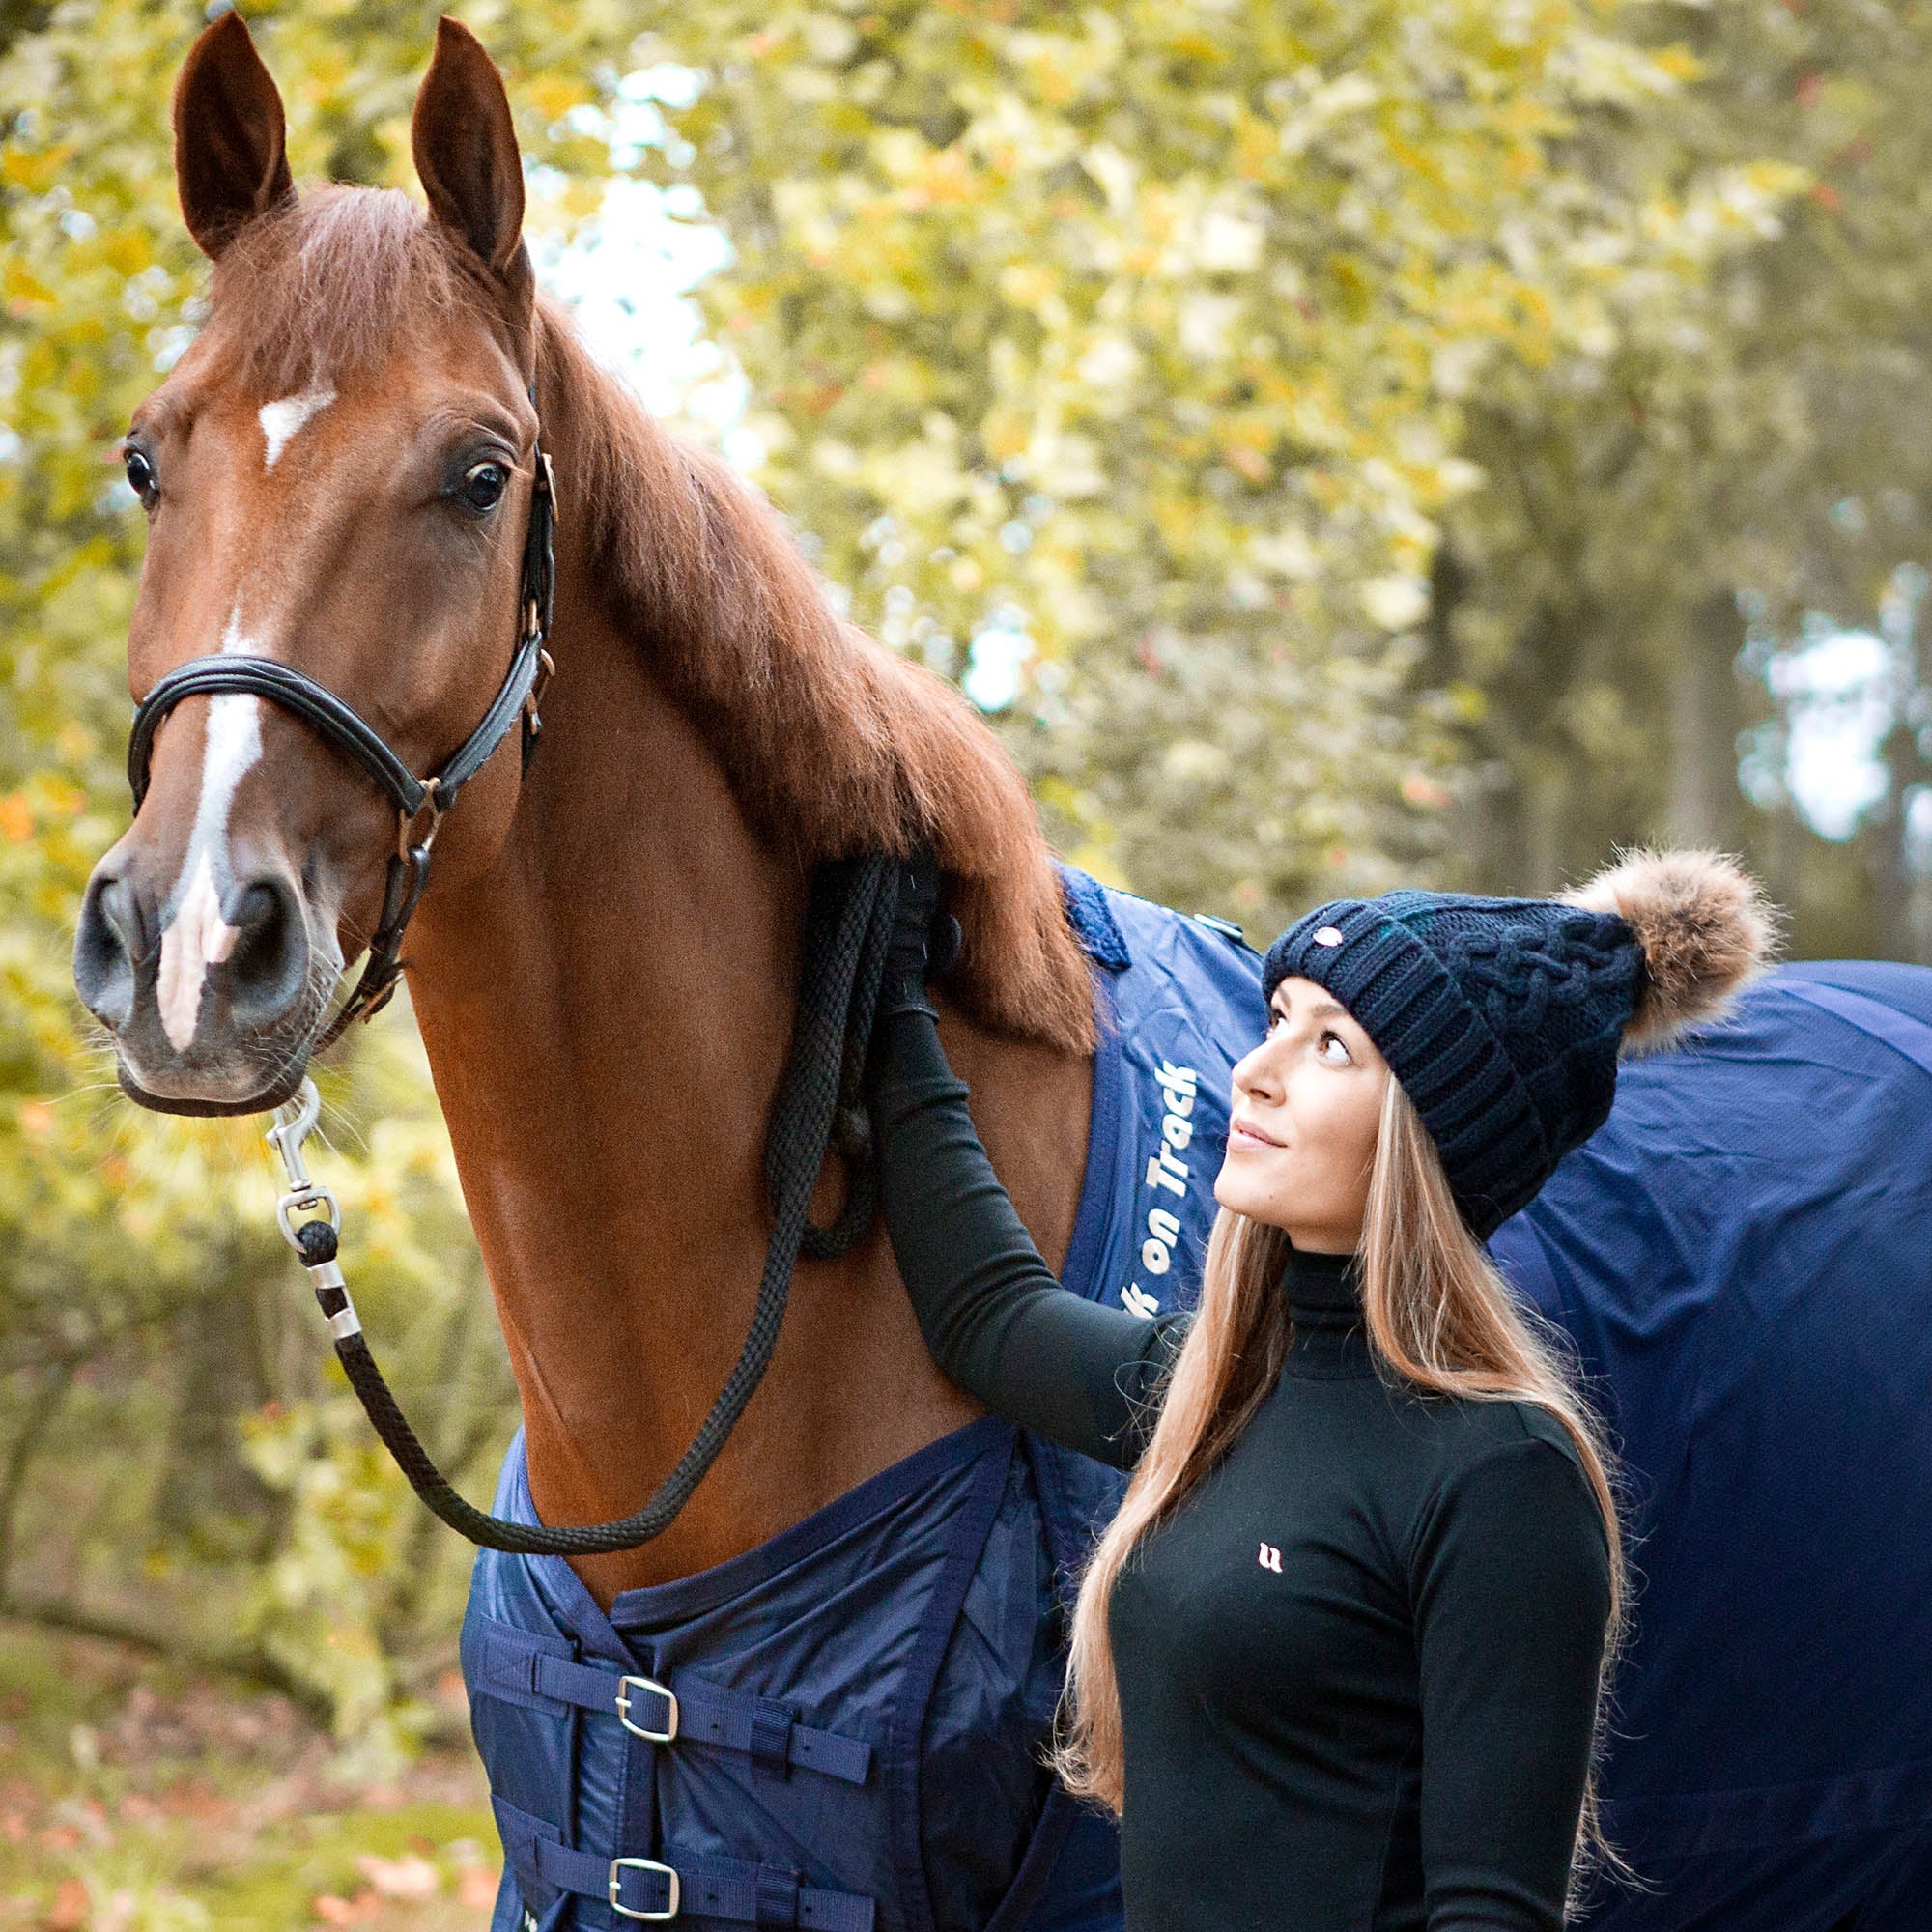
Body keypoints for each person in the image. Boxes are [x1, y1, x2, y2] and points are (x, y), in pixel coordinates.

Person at [864, 849, 1775, 1932]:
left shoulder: (1500, 1475)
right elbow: (989, 1317)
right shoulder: (1213, 1393)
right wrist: (889, 997)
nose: (1255, 1066)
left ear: (1429, 1136)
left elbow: (1488, 1915)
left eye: (1331, 1044)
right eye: (1280, 1014)